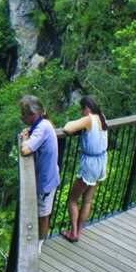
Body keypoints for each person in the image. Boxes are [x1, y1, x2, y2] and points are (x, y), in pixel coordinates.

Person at [60, 96, 108, 243]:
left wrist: (78, 123)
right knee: (87, 200)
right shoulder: (102, 118)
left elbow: (67, 128)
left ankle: (73, 233)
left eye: (82, 109)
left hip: (90, 164)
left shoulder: (89, 119)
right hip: (101, 161)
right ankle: (79, 230)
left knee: (72, 199)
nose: (82, 112)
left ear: (87, 108)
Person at [18, 95, 60, 242]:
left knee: (43, 215)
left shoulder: (42, 128)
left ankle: (40, 243)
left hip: (45, 182)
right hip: (49, 177)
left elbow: (25, 150)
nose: (21, 117)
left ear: (34, 115)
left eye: (24, 114)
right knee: (41, 213)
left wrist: (24, 138)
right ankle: (38, 240)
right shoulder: (44, 124)